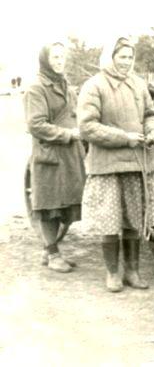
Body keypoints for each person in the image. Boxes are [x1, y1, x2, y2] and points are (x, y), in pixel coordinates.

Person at [78, 37, 154, 292]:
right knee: (110, 220)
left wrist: (153, 131)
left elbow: (151, 114)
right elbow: (87, 126)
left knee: (134, 219)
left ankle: (133, 272)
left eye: (130, 57)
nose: (126, 62)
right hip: (108, 166)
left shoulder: (138, 84)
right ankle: (113, 273)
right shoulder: (95, 86)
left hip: (137, 163)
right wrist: (124, 138)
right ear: (111, 57)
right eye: (122, 57)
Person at [23, 42, 86, 273]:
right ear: (45, 60)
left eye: (62, 57)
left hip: (70, 154)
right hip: (50, 153)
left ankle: (50, 249)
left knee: (67, 203)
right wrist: (68, 133)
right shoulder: (36, 88)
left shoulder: (66, 85)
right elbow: (36, 125)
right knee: (50, 205)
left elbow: (76, 113)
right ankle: (52, 254)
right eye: (55, 58)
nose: (60, 62)